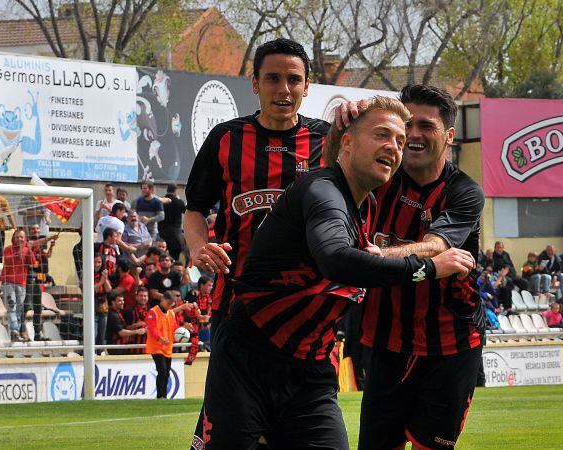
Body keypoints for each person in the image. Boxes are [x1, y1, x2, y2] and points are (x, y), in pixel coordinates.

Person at [197, 96, 475, 449]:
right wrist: (428, 268)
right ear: (347, 142)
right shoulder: (322, 191)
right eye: (381, 135)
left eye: (399, 141)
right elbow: (336, 260)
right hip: (249, 360)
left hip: (310, 372)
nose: (393, 147)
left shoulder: (366, 203)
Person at [345, 86, 485, 450]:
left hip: (450, 344)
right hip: (386, 341)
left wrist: (375, 256)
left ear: (449, 136)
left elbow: (438, 245)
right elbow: (333, 168)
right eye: (408, 124)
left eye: (426, 126)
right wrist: (345, 123)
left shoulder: (465, 192)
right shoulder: (378, 178)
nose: (415, 134)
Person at [185, 38, 330, 338]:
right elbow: (195, 207)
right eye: (273, 78)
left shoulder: (327, 140)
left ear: (306, 87)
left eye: (293, 80)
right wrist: (198, 246)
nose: (284, 89)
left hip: (305, 305)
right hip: (235, 300)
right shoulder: (225, 138)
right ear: (255, 84)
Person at [146, 289, 196, 398]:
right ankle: (160, 396)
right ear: (163, 300)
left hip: (167, 347)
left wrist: (183, 327)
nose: (169, 306)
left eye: (171, 304)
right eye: (168, 303)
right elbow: (152, 328)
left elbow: (174, 328)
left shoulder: (170, 313)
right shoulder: (153, 312)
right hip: (156, 347)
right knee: (162, 370)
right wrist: (160, 338)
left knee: (167, 372)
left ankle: (164, 396)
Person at [25, 224, 57, 341]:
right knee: (26, 307)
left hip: (37, 279)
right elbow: (35, 243)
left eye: (37, 228)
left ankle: (37, 334)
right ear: (29, 231)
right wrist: (49, 238)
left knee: (38, 308)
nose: (36, 230)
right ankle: (22, 332)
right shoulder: (27, 242)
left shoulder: (40, 246)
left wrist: (51, 246)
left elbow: (48, 255)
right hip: (27, 279)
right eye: (33, 228)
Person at [2, 230, 35, 341]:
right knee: (11, 306)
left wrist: (29, 249)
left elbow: (32, 262)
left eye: (21, 237)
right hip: (8, 282)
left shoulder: (26, 250)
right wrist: (21, 250)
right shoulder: (8, 249)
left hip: (21, 284)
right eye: (17, 237)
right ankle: (14, 331)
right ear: (13, 238)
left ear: (25, 238)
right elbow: (9, 261)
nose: (19, 239)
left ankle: (16, 332)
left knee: (19, 309)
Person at [160, 184, 188, 263]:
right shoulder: (178, 202)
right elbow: (186, 212)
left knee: (162, 253)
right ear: (176, 191)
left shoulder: (161, 201)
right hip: (175, 233)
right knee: (178, 252)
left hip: (162, 231)